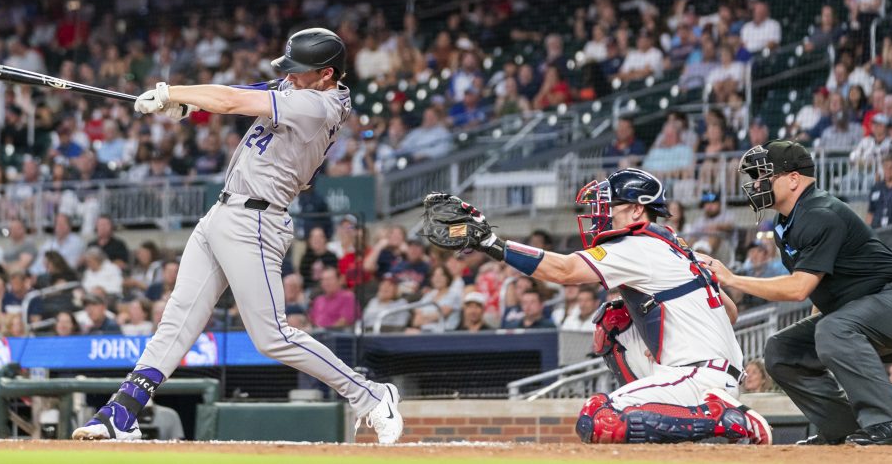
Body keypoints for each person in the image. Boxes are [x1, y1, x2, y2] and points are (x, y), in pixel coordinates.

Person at [73, 28, 402, 444]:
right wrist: (185, 103)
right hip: (225, 212)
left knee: (273, 337)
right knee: (177, 318)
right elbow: (242, 90)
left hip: (257, 221)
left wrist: (170, 91)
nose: (291, 77)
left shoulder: (319, 105)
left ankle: (371, 394)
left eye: (300, 72)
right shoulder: (302, 85)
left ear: (327, 74)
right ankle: (122, 412)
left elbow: (232, 101)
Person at [423, 168, 771, 445]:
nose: (599, 216)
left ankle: (726, 419)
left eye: (609, 207)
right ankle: (684, 424)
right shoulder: (675, 246)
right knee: (615, 319)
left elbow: (563, 271)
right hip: (709, 372)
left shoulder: (638, 245)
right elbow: (729, 312)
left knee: (599, 417)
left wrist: (491, 243)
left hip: (698, 375)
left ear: (637, 209)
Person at [708, 140, 892, 445]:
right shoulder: (785, 223)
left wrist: (732, 278)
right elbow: (819, 293)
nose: (758, 184)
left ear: (793, 179)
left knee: (832, 329)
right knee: (782, 351)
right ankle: (842, 428)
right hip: (868, 308)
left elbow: (799, 288)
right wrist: (820, 336)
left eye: (766, 176)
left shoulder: (819, 212)